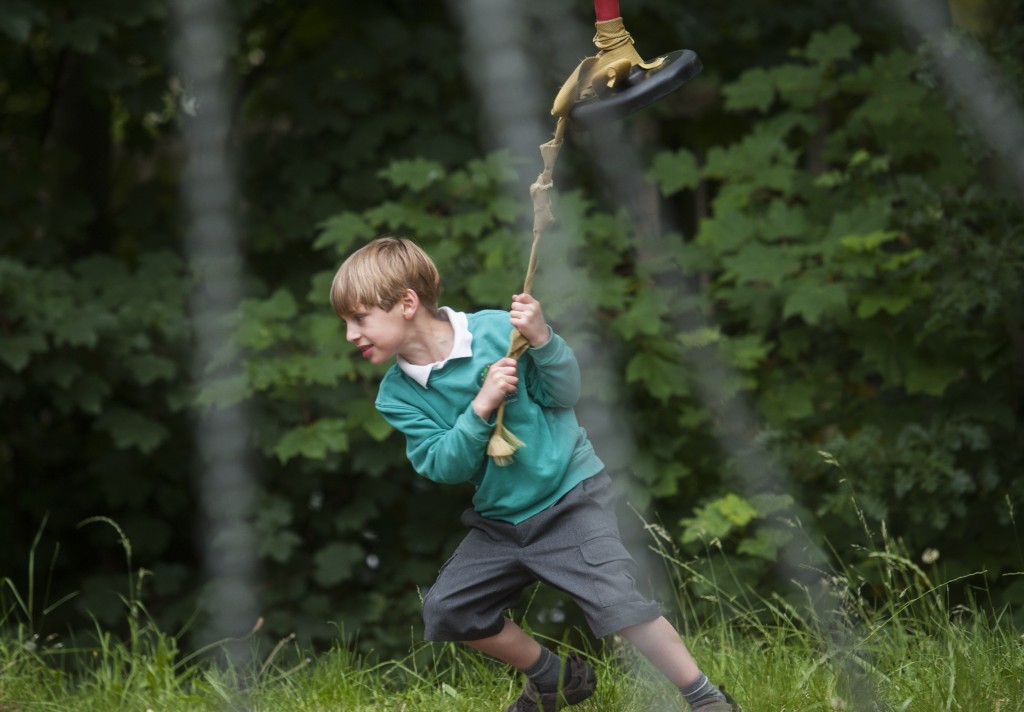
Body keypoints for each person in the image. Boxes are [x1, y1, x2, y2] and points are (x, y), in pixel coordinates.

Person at [330, 236, 740, 712]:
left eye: (358, 319)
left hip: (568, 497)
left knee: (615, 602)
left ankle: (706, 698)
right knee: (450, 609)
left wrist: (543, 339)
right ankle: (554, 678)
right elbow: (444, 465)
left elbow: (564, 392)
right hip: (502, 520)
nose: (350, 335)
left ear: (406, 303)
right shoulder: (397, 395)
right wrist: (480, 407)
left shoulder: (498, 332)